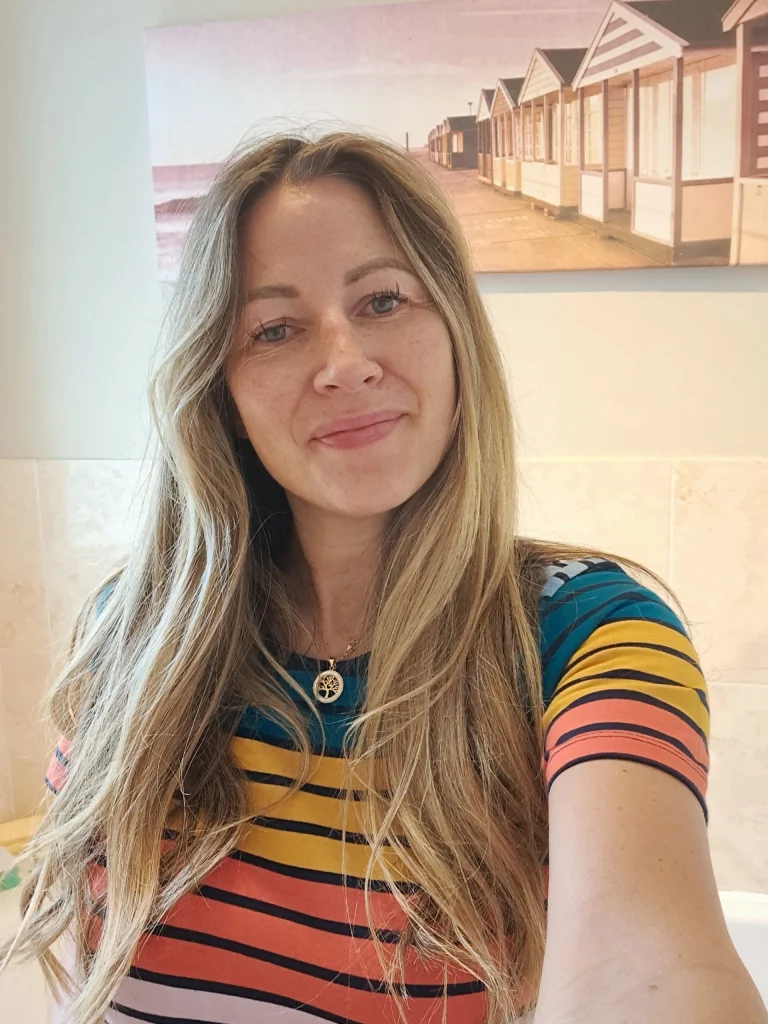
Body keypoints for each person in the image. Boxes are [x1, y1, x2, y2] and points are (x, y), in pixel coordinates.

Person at [1, 132, 765, 1024]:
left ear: (454, 335)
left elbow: (647, 970)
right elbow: (71, 975)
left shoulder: (590, 635)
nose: (345, 363)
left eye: (383, 300)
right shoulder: (131, 630)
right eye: (274, 329)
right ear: (224, 393)